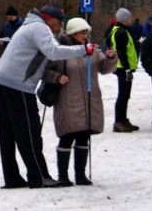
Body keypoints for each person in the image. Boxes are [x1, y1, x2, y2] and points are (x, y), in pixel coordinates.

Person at [0, 4, 92, 189]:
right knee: (29, 131)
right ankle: (40, 176)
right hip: (17, 84)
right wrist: (83, 49)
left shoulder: (30, 26)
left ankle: (12, 178)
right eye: (58, 21)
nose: (60, 25)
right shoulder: (39, 27)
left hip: (4, 80)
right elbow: (53, 51)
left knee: (9, 133)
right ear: (48, 18)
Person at [43, 18, 117, 186]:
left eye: (86, 32)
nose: (85, 35)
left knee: (84, 136)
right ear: (72, 33)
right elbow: (45, 71)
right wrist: (57, 77)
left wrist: (110, 58)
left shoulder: (91, 51)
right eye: (82, 32)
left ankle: (80, 175)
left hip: (89, 100)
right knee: (67, 136)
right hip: (68, 101)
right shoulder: (60, 52)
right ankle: (63, 175)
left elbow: (105, 69)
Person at [109, 8, 140, 133]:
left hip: (122, 67)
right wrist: (127, 69)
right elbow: (121, 51)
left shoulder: (120, 31)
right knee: (123, 95)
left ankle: (123, 119)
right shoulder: (121, 32)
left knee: (125, 95)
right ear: (125, 19)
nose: (130, 20)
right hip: (122, 68)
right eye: (129, 18)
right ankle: (119, 122)